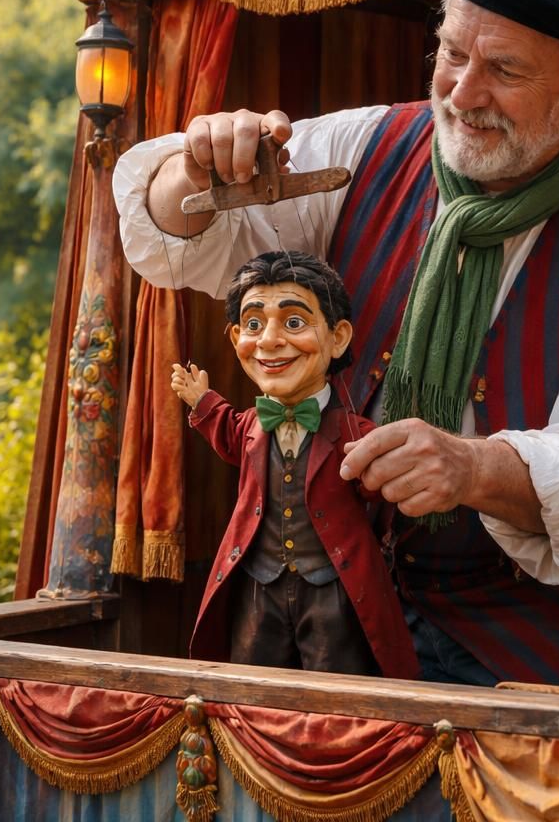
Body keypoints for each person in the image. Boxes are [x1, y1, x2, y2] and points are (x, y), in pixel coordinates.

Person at [113, 0, 559, 698]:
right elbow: (190, 236)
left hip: (539, 631)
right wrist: (192, 166)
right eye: (454, 54)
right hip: (348, 594)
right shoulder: (374, 145)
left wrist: (470, 467)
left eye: (504, 69)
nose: (461, 95)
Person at [170, 250, 419, 680]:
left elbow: (381, 487)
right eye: (252, 325)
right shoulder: (250, 426)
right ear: (235, 339)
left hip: (331, 588)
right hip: (256, 584)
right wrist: (201, 402)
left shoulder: (352, 431)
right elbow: (227, 432)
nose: (268, 341)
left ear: (338, 337)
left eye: (293, 322)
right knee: (253, 681)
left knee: (334, 682)